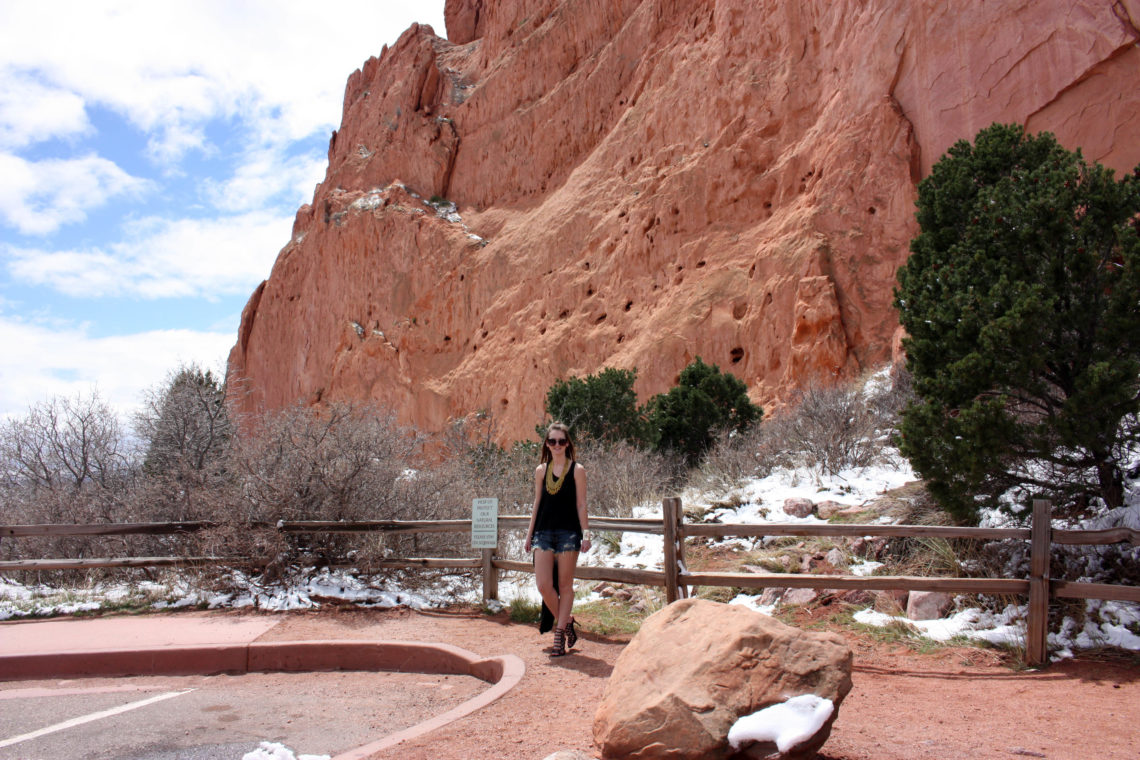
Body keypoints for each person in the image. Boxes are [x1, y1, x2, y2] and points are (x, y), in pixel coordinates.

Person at [524, 422, 591, 656]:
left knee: (565, 585)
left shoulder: (577, 470)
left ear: (568, 443)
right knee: (544, 585)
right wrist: (529, 533)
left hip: (568, 533)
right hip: (543, 532)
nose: (557, 445)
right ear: (546, 444)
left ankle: (559, 634)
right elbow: (537, 502)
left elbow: (581, 504)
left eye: (561, 441)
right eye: (552, 441)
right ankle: (568, 620)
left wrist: (586, 533)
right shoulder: (541, 470)